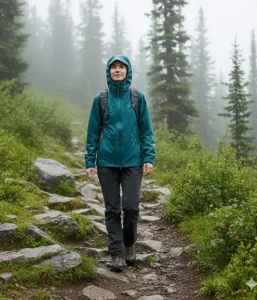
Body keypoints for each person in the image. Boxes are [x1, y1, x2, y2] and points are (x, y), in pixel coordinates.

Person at [85, 55, 155, 272]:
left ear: (127, 71)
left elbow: (147, 131)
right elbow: (93, 133)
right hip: (107, 163)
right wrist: (90, 162)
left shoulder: (137, 98)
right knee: (112, 209)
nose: (117, 70)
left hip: (133, 162)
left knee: (131, 207)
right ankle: (116, 254)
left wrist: (148, 157)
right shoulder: (101, 100)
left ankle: (129, 245)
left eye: (121, 67)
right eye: (113, 67)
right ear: (109, 71)